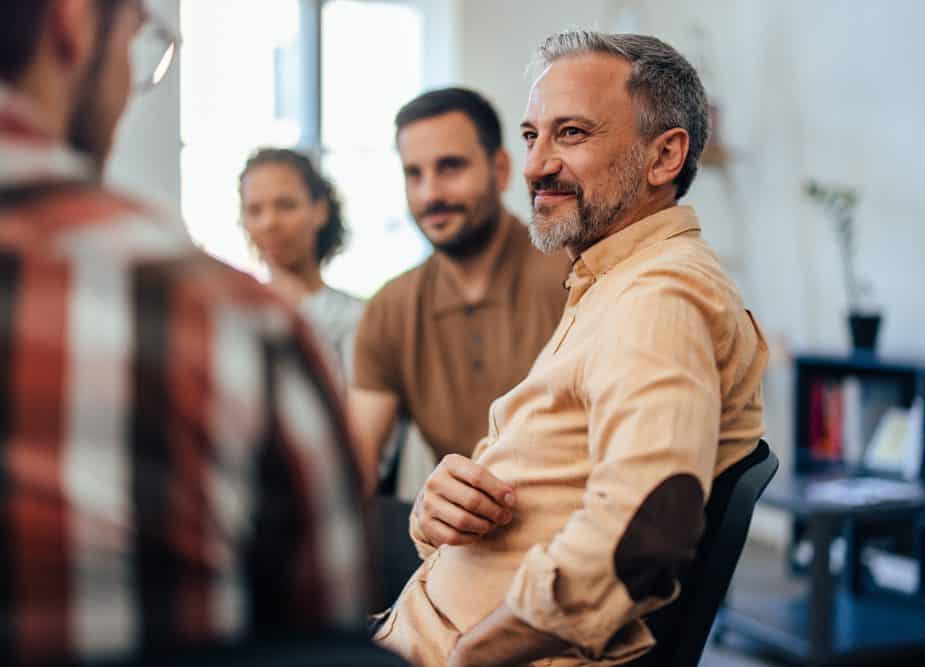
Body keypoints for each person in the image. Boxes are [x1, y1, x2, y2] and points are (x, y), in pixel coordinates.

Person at [376, 31, 769, 667]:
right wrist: (438, 507)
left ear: (664, 156)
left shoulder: (659, 297)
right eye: (533, 135)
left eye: (572, 134)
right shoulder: (609, 282)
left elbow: (645, 534)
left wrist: (472, 654)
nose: (534, 165)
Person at [0, 1, 369, 663]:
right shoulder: (227, 325)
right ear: (74, 22)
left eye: (286, 203)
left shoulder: (330, 316)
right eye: (140, 40)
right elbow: (325, 633)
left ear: (320, 209)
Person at [350, 87, 569, 495]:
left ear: (501, 170)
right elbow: (354, 465)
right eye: (414, 174)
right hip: (454, 539)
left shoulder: (575, 277)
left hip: (571, 529)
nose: (430, 194)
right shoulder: (390, 308)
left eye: (450, 167)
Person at [239, 147, 364, 379]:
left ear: (320, 210)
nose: (269, 222)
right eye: (254, 210)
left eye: (286, 205)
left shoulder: (359, 318)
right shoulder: (234, 315)